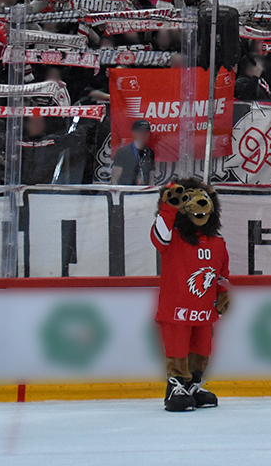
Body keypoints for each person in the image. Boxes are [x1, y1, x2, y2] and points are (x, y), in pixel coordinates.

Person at [153, 178, 231, 412]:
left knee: (202, 349)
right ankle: (175, 386)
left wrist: (224, 293)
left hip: (205, 310)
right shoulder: (172, 239)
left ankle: (194, 384)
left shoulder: (217, 243)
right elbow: (159, 233)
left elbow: (221, 273)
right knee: (177, 349)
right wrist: (168, 206)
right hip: (176, 309)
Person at [111, 120, 157, 186]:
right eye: (140, 131)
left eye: (146, 132)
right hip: (126, 191)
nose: (143, 134)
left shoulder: (149, 152)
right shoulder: (123, 152)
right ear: (134, 133)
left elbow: (151, 176)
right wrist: (116, 194)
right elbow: (115, 178)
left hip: (143, 192)